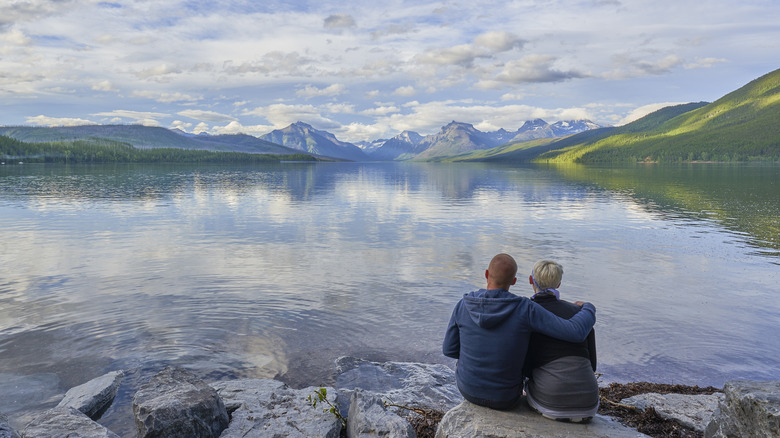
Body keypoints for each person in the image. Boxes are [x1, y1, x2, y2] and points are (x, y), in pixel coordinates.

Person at [442, 254, 596, 410]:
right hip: (505, 398)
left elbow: (449, 350)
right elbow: (575, 332)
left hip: (467, 391)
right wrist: (588, 308)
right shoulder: (524, 308)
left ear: (486, 274)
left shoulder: (464, 304)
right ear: (514, 281)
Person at [522, 260, 599, 423]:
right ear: (558, 284)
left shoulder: (527, 314)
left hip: (551, 402)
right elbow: (592, 365)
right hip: (589, 403)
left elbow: (525, 366)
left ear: (530, 280)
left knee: (528, 384)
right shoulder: (579, 314)